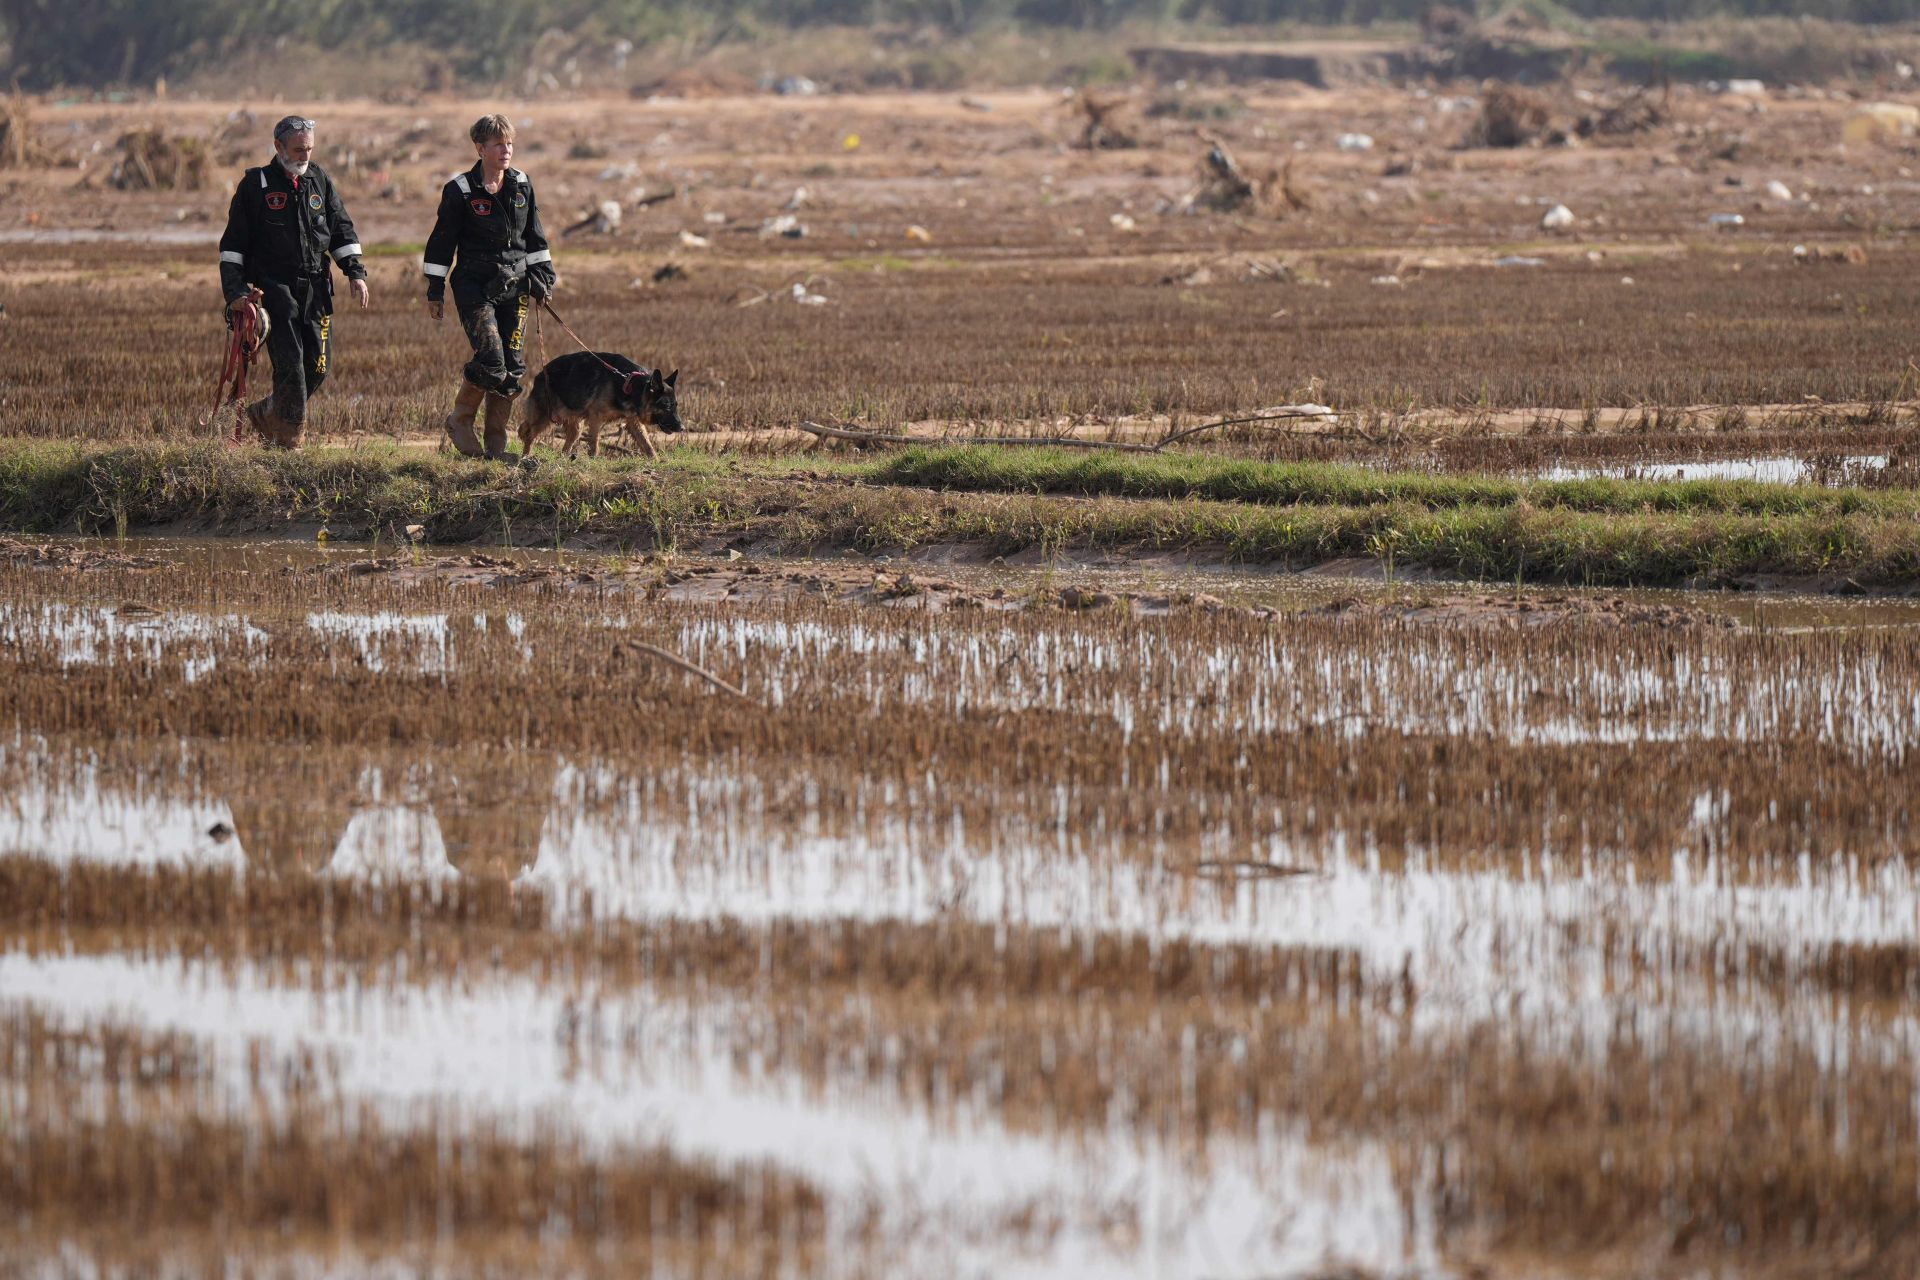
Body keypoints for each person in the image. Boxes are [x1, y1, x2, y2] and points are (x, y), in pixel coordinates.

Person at [216, 114, 370, 448]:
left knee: (318, 367)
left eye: (309, 150)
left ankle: (266, 412)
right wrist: (236, 293)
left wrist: (355, 273)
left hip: (317, 289)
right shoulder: (255, 186)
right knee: (291, 368)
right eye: (298, 149)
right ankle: (289, 444)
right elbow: (232, 247)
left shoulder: (320, 180)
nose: (305, 156)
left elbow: (341, 230)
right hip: (275, 291)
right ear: (278, 146)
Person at [422, 114, 556, 462]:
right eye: (498, 144)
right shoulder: (460, 191)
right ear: (480, 148)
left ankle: (496, 445)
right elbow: (441, 244)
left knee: (512, 371)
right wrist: (434, 290)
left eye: (509, 143)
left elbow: (535, 239)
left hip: (516, 288)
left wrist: (544, 277)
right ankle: (459, 421)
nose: (506, 150)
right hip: (474, 287)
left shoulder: (522, 185)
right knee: (493, 361)